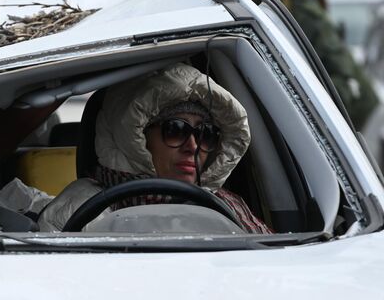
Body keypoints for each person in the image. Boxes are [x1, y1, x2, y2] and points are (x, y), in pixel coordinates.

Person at [38, 63, 272, 234]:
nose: (192, 147)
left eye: (205, 134)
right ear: (135, 137)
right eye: (175, 130)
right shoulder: (78, 207)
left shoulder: (227, 205)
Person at [225, 0, 378, 129]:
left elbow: (346, 83)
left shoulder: (302, 15)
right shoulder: (232, 11)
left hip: (354, 130)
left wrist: (296, 101)